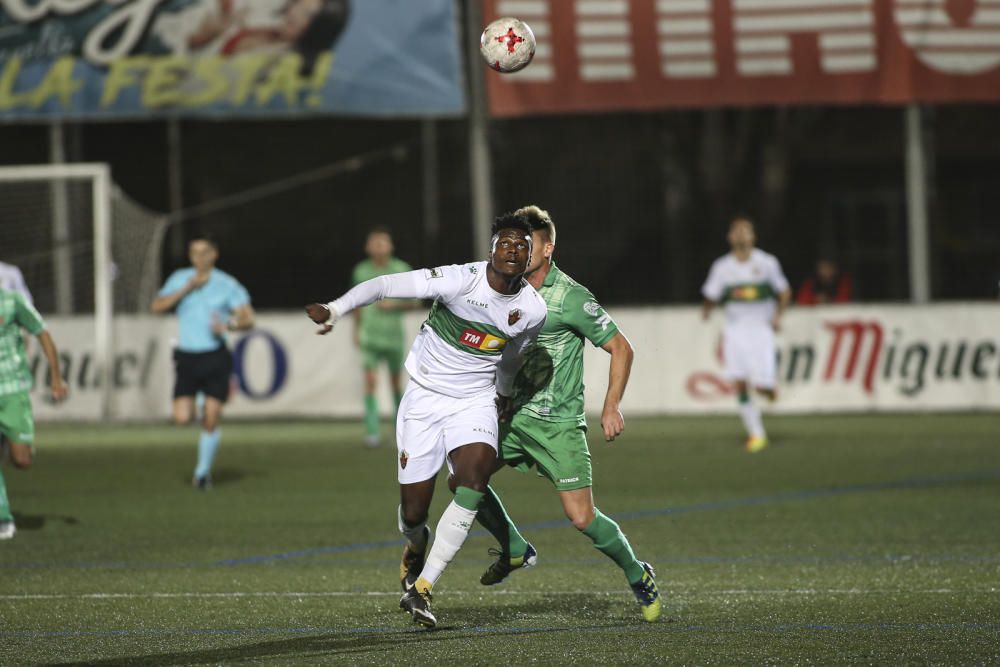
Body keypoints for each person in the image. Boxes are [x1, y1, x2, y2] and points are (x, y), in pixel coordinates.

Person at [305, 213, 547, 628]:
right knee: (414, 513)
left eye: (521, 245)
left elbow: (510, 356)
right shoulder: (457, 279)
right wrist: (336, 308)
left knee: (473, 482)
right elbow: (383, 286)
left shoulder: (532, 309)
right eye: (504, 242)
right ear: (490, 250)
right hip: (424, 399)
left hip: (474, 402)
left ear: (529, 259)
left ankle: (422, 589)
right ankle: (416, 546)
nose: (512, 250)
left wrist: (503, 394)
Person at [451, 205, 662, 622]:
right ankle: (513, 548)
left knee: (581, 518)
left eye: (530, 244)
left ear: (547, 248)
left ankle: (638, 574)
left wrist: (611, 405)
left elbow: (622, 347)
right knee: (461, 477)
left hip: (558, 425)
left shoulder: (571, 297)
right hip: (510, 417)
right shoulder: (501, 287)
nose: (520, 250)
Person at [151, 236, 255, 490]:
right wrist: (186, 288)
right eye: (195, 252)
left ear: (214, 254)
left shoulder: (227, 284)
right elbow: (157, 306)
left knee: (210, 418)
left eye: (205, 252)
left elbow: (248, 319)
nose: (200, 257)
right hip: (187, 357)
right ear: (190, 256)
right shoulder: (180, 278)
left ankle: (202, 473)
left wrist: (228, 325)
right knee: (182, 418)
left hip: (215, 356)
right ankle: (200, 401)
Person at [702, 216, 791, 453]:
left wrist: (778, 316)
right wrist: (707, 311)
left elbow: (784, 292)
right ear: (730, 237)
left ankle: (770, 390)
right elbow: (711, 294)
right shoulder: (722, 267)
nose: (741, 234)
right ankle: (757, 434)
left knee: (763, 387)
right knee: (740, 383)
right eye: (737, 231)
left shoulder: (767, 263)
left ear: (753, 236)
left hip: (761, 330)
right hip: (735, 331)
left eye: (746, 230)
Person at [0, 286, 68, 539]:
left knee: (22, 461)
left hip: (13, 390)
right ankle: (3, 517)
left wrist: (56, 378)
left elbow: (42, 334)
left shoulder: (11, 301)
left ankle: (10, 444)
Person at [350, 228, 415, 448]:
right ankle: (372, 431)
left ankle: (401, 429)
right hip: (370, 336)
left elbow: (415, 301)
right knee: (370, 382)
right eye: (374, 243)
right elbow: (357, 303)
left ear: (390, 246)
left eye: (382, 243)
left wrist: (394, 305)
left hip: (393, 337)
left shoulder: (401, 269)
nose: (378, 247)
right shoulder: (361, 271)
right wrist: (356, 330)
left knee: (396, 383)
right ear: (368, 247)